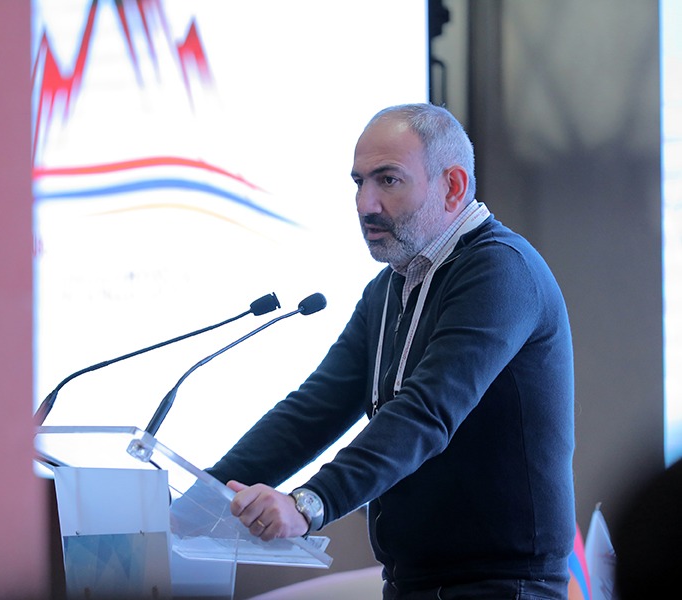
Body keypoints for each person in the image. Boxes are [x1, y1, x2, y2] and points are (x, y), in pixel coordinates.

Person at [206, 103, 576, 599]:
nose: (366, 204)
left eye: (388, 180)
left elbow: (427, 411)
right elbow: (311, 412)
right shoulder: (387, 290)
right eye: (359, 182)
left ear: (453, 186)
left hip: (503, 586)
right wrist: (199, 499)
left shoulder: (500, 271)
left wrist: (310, 503)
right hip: (410, 582)